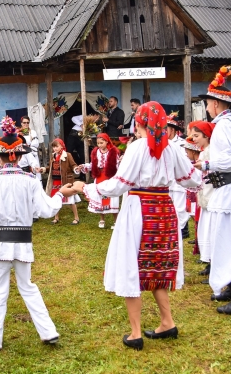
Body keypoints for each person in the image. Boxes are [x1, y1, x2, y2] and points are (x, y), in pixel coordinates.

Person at [78, 101, 201, 350]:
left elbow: (120, 183)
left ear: (140, 123)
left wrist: (89, 187)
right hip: (163, 210)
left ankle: (135, 333)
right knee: (155, 265)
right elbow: (192, 179)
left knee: (131, 265)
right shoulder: (173, 149)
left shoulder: (137, 148)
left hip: (140, 209)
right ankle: (167, 322)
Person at [0, 116, 80, 352]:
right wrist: (61, 194)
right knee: (28, 286)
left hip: (0, 244)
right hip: (23, 243)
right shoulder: (30, 180)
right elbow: (46, 210)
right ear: (20, 156)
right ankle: (48, 331)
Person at [195, 65, 231, 314]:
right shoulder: (228, 124)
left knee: (225, 242)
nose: (206, 107)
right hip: (226, 188)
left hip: (229, 188)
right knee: (224, 240)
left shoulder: (224, 126)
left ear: (217, 104)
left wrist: (206, 163)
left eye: (207, 102)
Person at [77, 133, 119, 229]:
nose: (99, 145)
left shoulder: (113, 152)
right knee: (100, 198)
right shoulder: (96, 152)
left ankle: (116, 221)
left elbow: (117, 165)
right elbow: (93, 164)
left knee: (112, 198)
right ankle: (102, 219)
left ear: (107, 141)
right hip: (100, 177)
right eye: (98, 143)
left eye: (101, 143)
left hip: (110, 177)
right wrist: (84, 166)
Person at [191, 122, 215, 282]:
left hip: (211, 195)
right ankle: (210, 265)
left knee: (212, 233)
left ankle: (214, 267)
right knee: (205, 232)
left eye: (196, 136)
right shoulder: (204, 152)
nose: (194, 139)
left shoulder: (211, 153)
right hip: (205, 195)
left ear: (206, 136)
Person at [40, 139, 80, 225]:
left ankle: (76, 217)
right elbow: (50, 168)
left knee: (70, 200)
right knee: (56, 200)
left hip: (65, 181)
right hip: (56, 181)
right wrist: (42, 169)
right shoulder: (53, 156)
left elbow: (73, 165)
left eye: (57, 146)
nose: (55, 148)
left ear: (62, 146)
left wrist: (75, 169)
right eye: (54, 147)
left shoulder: (67, 155)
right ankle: (56, 217)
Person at [165, 112, 191, 240]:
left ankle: (182, 229)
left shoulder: (182, 144)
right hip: (168, 181)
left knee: (180, 207)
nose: (164, 131)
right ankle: (173, 228)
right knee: (170, 206)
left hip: (179, 181)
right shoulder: (163, 144)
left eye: (167, 129)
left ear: (173, 130)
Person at [179, 136, 202, 255]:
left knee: (198, 216)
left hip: (199, 193)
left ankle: (201, 240)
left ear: (193, 151)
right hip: (192, 191)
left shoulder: (200, 163)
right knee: (194, 215)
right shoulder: (192, 162)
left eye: (187, 152)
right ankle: (199, 238)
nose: (186, 154)